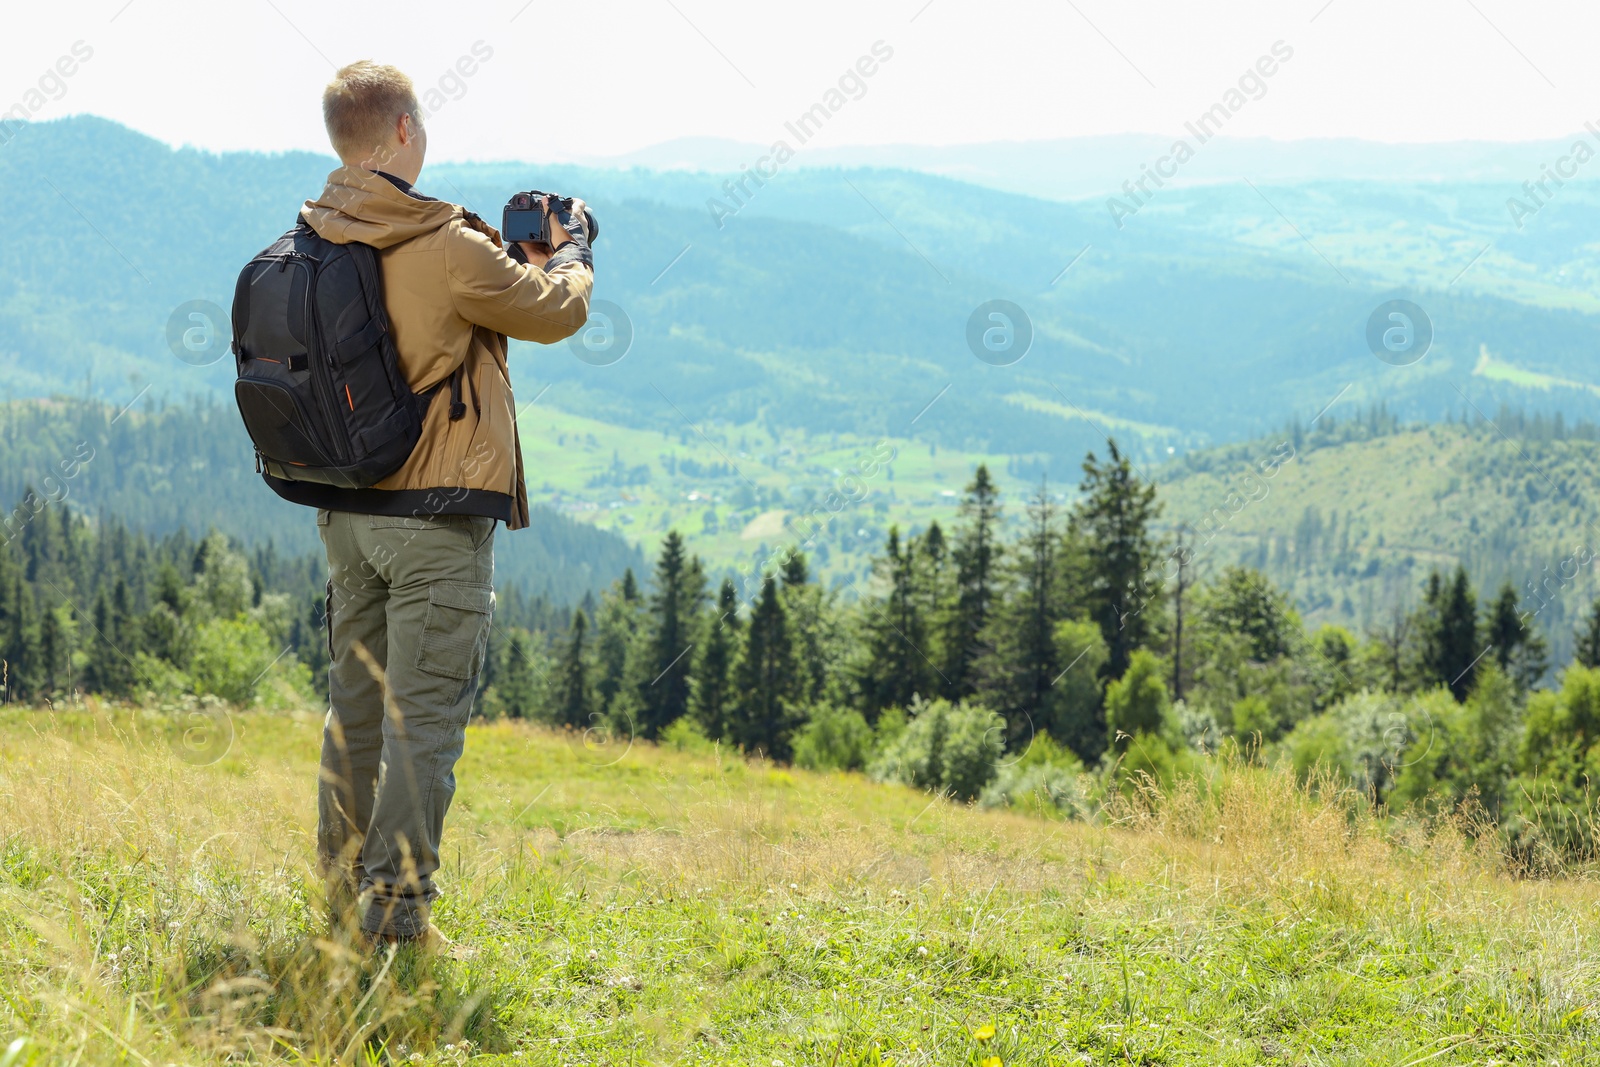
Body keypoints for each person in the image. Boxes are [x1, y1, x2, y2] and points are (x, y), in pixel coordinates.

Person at [284, 60, 593, 948]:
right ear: (406, 133)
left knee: (355, 711)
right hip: (435, 519)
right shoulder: (446, 243)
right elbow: (548, 312)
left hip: (346, 514)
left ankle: (343, 892)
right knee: (424, 720)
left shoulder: (314, 236)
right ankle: (397, 912)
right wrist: (569, 254)